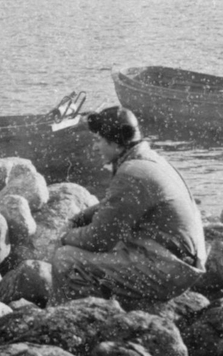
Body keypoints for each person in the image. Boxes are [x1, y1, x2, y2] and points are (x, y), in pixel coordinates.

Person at [49, 107, 207, 307]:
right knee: (105, 250)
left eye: (98, 140)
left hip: (168, 271)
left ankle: (74, 320)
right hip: (177, 264)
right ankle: (103, 303)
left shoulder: (132, 172)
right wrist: (80, 218)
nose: (95, 147)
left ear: (115, 144)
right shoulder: (147, 159)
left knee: (66, 259)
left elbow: (99, 239)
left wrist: (65, 235)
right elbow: (114, 205)